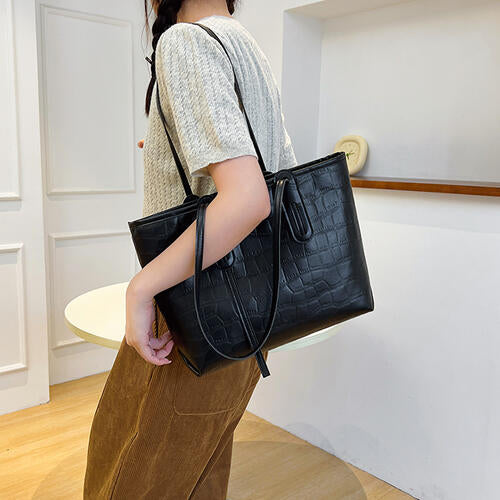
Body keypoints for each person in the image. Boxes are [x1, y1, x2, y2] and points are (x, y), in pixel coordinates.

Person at [83, 0, 297, 498]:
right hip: (252, 314)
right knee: (200, 476)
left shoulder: (184, 42)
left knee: (127, 475)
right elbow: (274, 176)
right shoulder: (246, 46)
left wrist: (141, 287)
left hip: (191, 312)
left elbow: (248, 199)